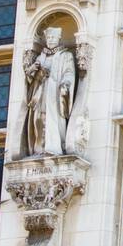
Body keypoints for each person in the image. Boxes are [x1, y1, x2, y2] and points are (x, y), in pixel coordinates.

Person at [24, 26, 76, 155]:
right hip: (40, 92)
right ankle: (39, 149)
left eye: (53, 37)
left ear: (59, 38)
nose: (51, 40)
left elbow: (69, 72)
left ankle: (53, 147)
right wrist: (35, 70)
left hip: (54, 93)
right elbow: (29, 76)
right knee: (38, 119)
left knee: (52, 120)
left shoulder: (66, 55)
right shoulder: (41, 57)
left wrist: (66, 84)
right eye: (49, 37)